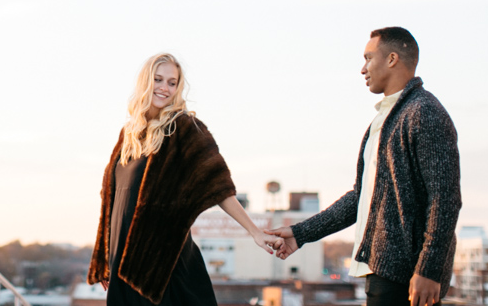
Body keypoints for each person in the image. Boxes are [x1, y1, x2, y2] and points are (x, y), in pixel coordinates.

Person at [266, 27, 461, 306]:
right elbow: (361, 199)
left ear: (392, 59)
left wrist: (428, 270)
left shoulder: (424, 113)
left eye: (368, 58)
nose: (362, 69)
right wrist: (300, 234)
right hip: (381, 271)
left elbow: (445, 199)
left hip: (407, 276)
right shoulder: (382, 122)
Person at [88, 53, 279, 306]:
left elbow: (218, 186)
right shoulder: (128, 135)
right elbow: (112, 203)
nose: (164, 88)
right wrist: (104, 258)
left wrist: (254, 231)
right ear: (145, 82)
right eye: (158, 79)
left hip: (161, 263)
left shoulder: (183, 128)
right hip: (121, 260)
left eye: (172, 82)